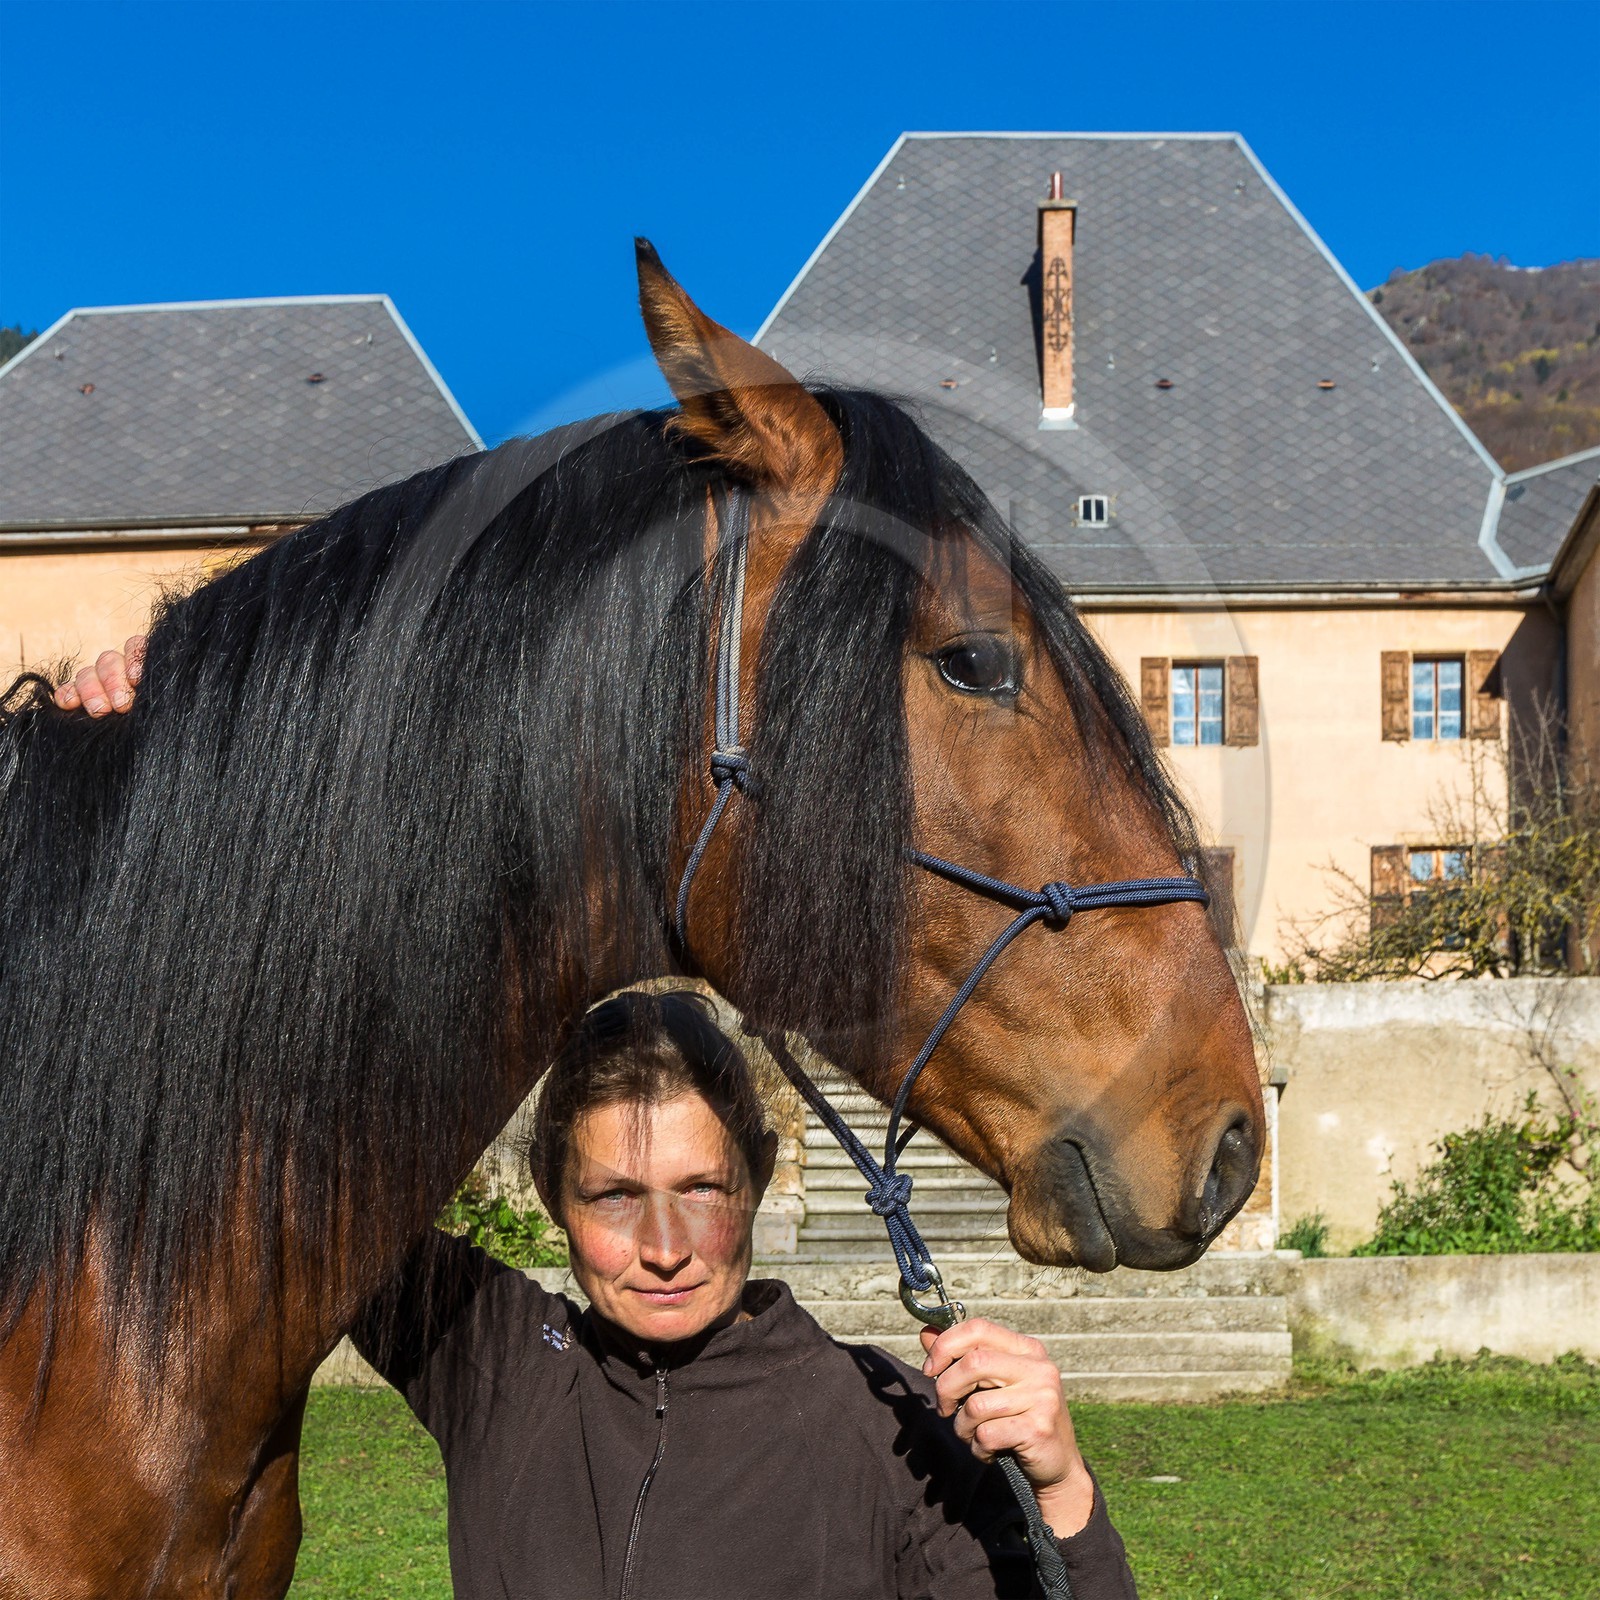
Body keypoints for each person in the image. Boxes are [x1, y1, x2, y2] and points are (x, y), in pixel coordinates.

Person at [60, 653, 1139, 1600]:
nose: (663, 1247)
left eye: (700, 1190)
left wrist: (1065, 1487)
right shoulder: (497, 1366)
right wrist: (164, 765)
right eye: (615, 1196)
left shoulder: (891, 1422)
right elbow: (278, 1118)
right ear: (555, 1203)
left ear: (755, 1180)